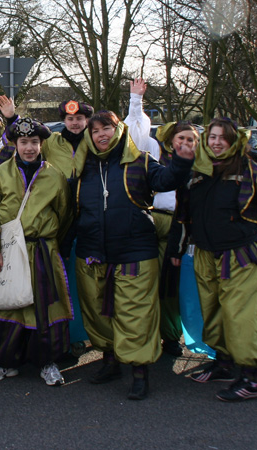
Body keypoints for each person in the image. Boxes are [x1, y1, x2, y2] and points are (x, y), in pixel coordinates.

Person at [75, 111, 194, 400]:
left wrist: (181, 160)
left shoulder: (140, 161)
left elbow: (166, 180)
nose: (102, 135)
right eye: (96, 131)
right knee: (98, 311)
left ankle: (140, 372)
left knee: (135, 313)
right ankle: (110, 361)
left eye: (107, 128)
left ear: (118, 130)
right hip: (92, 251)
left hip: (134, 252)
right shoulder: (81, 167)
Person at [176, 118, 257, 401]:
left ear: (233, 141)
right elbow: (185, 212)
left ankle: (252, 379)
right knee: (214, 312)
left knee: (243, 317)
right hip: (206, 253)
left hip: (240, 256)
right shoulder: (198, 172)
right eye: (212, 137)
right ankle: (225, 363)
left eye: (222, 137)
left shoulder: (249, 170)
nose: (216, 142)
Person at [0, 117, 72, 386]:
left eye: (35, 142)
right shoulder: (2, 172)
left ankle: (46, 363)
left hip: (41, 250)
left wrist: (50, 244)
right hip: (8, 249)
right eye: (24, 142)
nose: (29, 148)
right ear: (15, 143)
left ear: (41, 144)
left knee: (43, 307)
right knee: (9, 307)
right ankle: (3, 362)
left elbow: (64, 215)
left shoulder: (55, 175)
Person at [123, 79, 184, 356]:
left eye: (188, 139)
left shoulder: (194, 161)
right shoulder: (149, 148)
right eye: (179, 138)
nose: (183, 143)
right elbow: (134, 130)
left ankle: (171, 337)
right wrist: (136, 100)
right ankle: (144, 338)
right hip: (149, 219)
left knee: (170, 286)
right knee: (144, 284)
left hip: (176, 224)